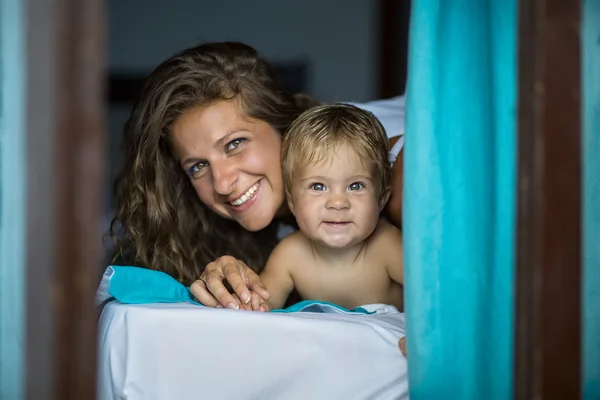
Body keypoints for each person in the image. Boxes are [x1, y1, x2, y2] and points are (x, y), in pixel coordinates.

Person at [109, 41, 405, 312]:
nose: (222, 184)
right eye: (198, 166)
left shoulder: (395, 174)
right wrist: (231, 284)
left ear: (282, 125)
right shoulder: (282, 248)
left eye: (234, 143)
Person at [222, 104, 404, 312]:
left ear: (381, 199)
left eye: (356, 186)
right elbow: (263, 306)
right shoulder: (290, 255)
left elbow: (439, 295)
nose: (337, 203)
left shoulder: (387, 245)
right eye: (318, 186)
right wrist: (246, 303)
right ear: (292, 202)